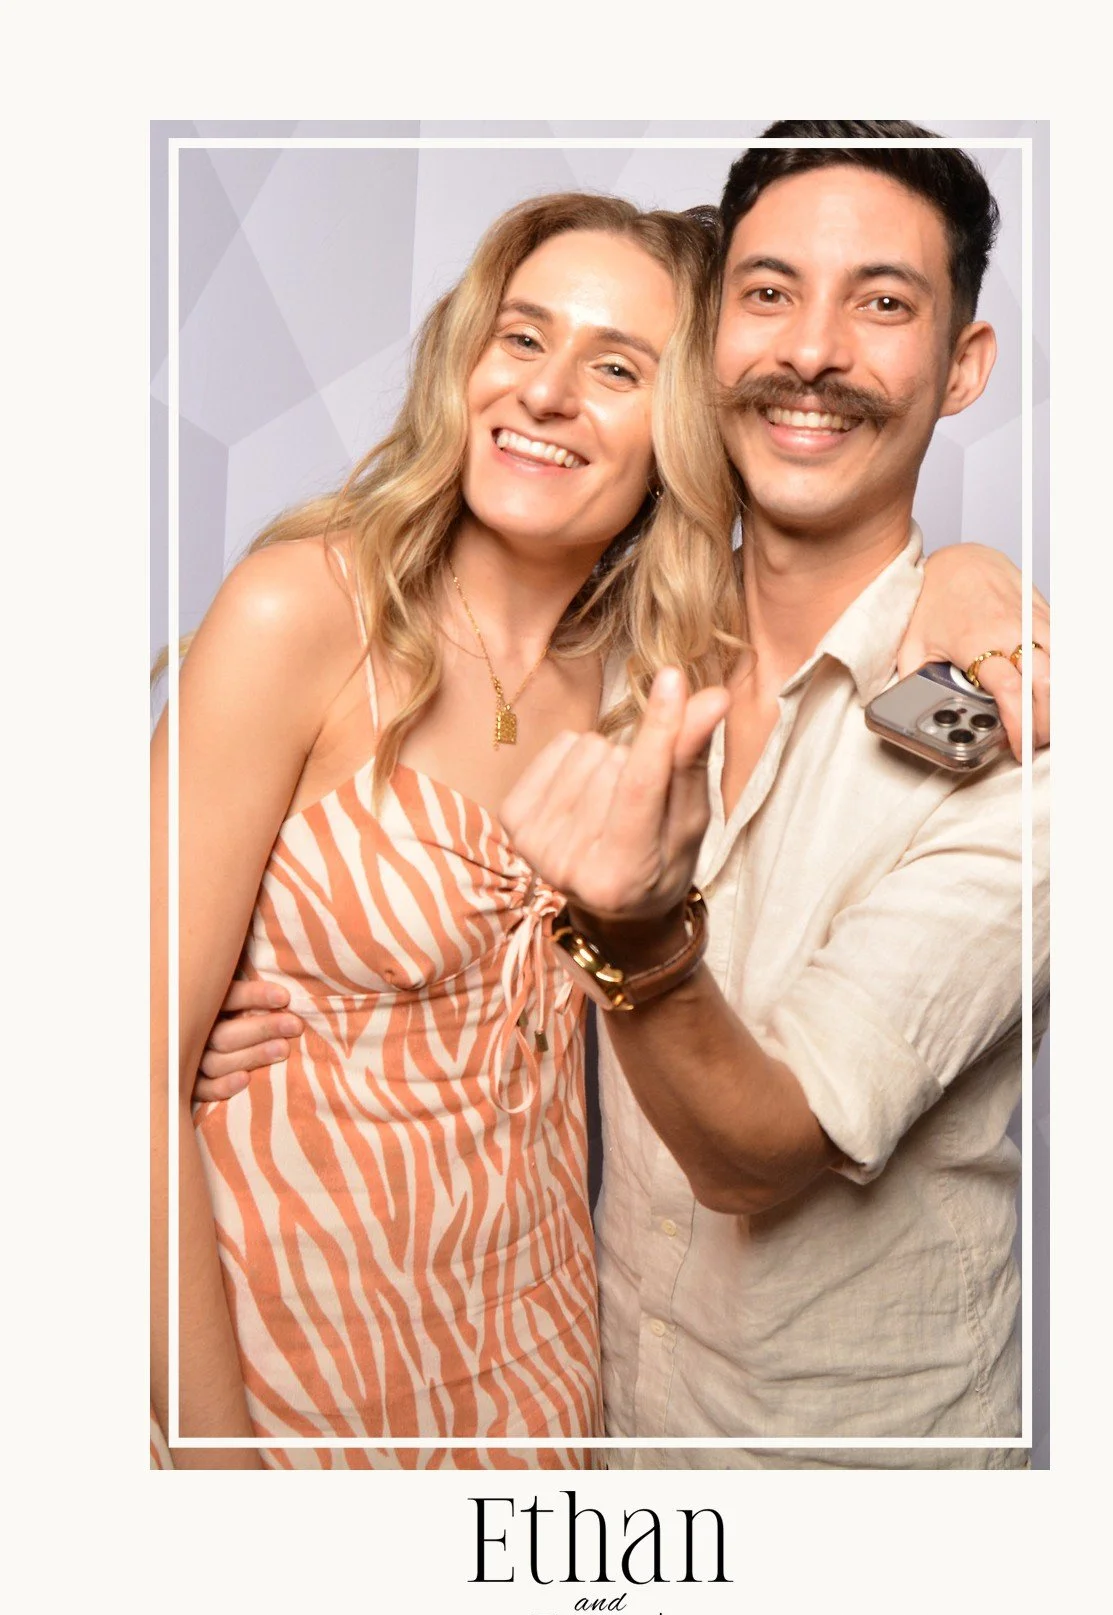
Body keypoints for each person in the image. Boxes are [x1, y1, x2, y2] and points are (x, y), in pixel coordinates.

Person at [173, 157, 1045, 1472]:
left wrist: (977, 584)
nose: (546, 389)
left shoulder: (664, 671)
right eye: (523, 336)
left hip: (594, 1398)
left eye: (620, 367)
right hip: (298, 1362)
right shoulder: (346, 615)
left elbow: (758, 1148)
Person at [498, 121, 1049, 1470]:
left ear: (961, 367)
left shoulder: (1034, 746)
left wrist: (636, 936)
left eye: (882, 302)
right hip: (602, 1451)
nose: (812, 349)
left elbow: (756, 1155)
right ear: (714, 343)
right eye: (769, 293)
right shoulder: (620, 635)